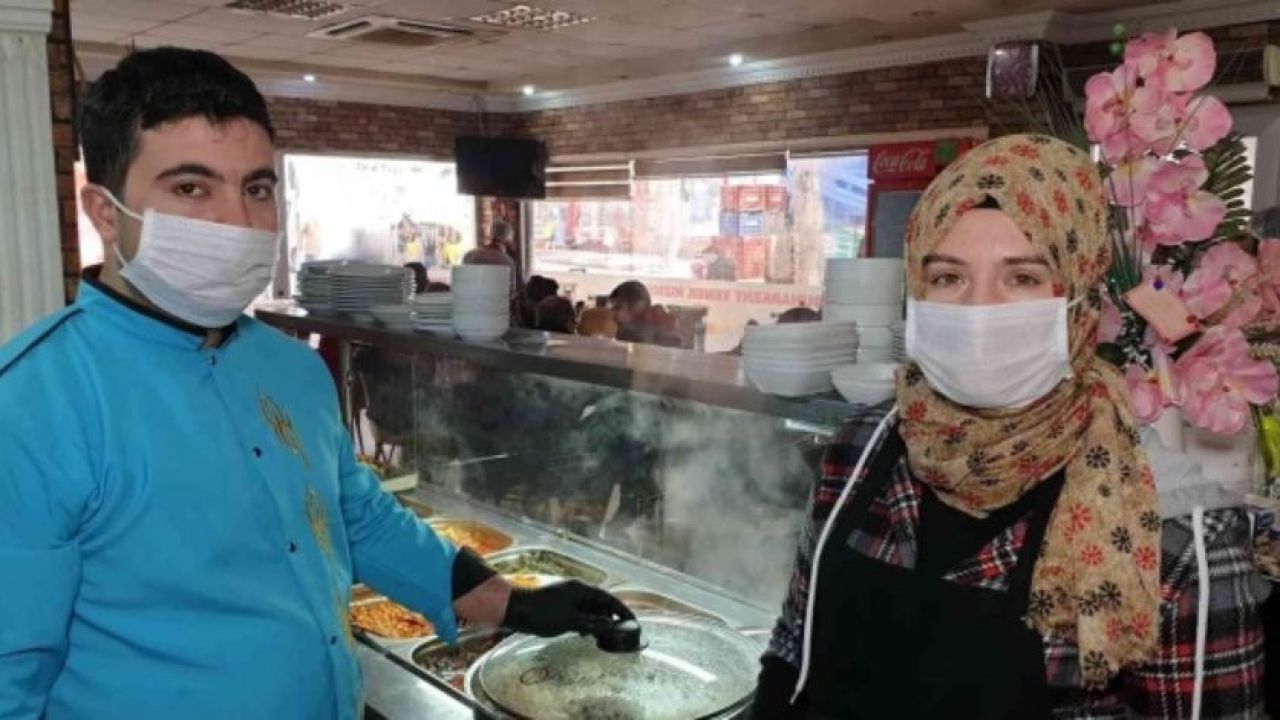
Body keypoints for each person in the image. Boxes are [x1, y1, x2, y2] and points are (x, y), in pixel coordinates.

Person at [0, 47, 632, 719]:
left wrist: (510, 602)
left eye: (256, 189)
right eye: (191, 188)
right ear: (104, 212)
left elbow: (355, 516)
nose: (238, 222)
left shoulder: (291, 369)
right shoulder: (34, 405)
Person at [754, 135, 1265, 718]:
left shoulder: (1176, 534)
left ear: (1080, 300)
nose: (979, 310)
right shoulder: (861, 447)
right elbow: (793, 647)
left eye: (1022, 278)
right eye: (948, 278)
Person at [609, 280, 680, 346]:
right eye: (612, 309)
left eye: (617, 308)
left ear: (636, 307)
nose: (613, 315)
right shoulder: (625, 329)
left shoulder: (656, 325)